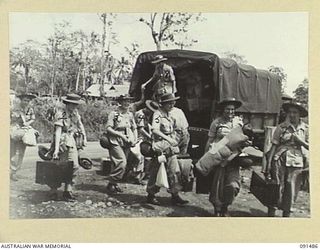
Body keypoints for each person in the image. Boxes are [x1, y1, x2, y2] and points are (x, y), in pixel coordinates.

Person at [266, 101, 309, 217]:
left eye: (295, 112)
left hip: (297, 161)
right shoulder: (281, 127)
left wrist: (300, 141)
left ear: (300, 114)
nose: (292, 115)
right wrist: (269, 164)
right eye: (290, 112)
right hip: (280, 159)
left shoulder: (306, 129)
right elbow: (274, 146)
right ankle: (271, 213)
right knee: (276, 186)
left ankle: (286, 215)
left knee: (291, 187)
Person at [146, 93, 189, 206]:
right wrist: (168, 139)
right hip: (160, 145)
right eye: (169, 103)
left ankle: (175, 195)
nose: (171, 105)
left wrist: (180, 142)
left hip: (172, 146)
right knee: (156, 170)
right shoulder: (158, 114)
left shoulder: (176, 112)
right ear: (163, 104)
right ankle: (151, 194)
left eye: (173, 102)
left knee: (174, 171)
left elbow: (183, 129)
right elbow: (155, 130)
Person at [205, 98, 244, 216]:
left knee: (233, 185)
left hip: (234, 157)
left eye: (232, 110)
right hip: (219, 156)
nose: (230, 112)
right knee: (218, 185)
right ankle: (217, 208)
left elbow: (241, 138)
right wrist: (206, 157)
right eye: (228, 109)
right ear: (223, 110)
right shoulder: (216, 123)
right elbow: (210, 140)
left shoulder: (239, 122)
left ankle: (226, 206)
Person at [50, 93, 87, 201]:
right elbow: (58, 131)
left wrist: (84, 137)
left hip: (72, 140)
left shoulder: (75, 113)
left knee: (74, 166)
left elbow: (80, 125)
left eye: (76, 104)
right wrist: (56, 150)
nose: (74, 106)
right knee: (58, 166)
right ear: (67, 103)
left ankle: (68, 190)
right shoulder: (61, 113)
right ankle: (53, 190)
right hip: (61, 141)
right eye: (72, 104)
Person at [105, 94, 138, 193]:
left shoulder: (130, 114)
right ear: (120, 102)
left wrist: (135, 138)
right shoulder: (114, 114)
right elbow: (108, 128)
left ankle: (113, 184)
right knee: (121, 162)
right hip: (115, 140)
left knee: (118, 163)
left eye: (128, 101)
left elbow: (134, 127)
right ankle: (112, 181)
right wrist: (120, 135)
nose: (127, 103)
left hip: (127, 141)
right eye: (124, 101)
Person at [10, 92, 37, 181]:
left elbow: (33, 118)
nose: (26, 102)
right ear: (21, 100)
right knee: (13, 152)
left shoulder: (30, 109)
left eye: (28, 101)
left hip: (24, 131)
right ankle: (12, 171)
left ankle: (14, 171)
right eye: (25, 100)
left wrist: (27, 123)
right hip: (15, 131)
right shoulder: (15, 109)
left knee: (21, 152)